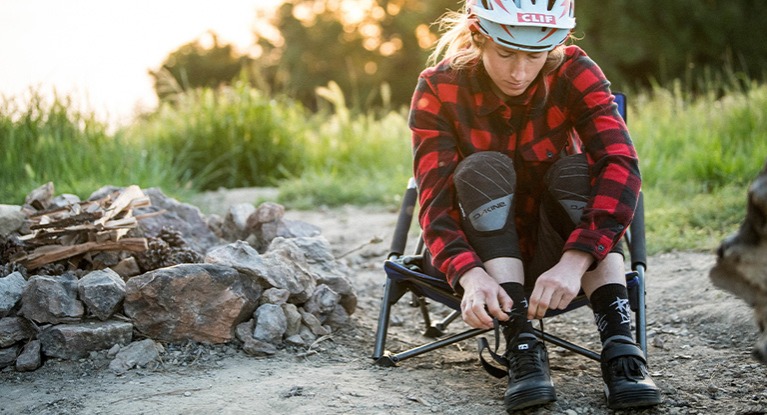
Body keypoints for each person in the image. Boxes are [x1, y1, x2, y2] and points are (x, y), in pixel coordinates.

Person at [408, 0, 662, 412]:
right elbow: (434, 201)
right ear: (478, 38)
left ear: (554, 46)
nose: (520, 72)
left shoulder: (575, 71)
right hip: (480, 252)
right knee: (482, 168)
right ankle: (522, 345)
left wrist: (574, 262)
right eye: (506, 53)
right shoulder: (439, 85)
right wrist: (469, 274)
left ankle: (621, 348)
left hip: (561, 252)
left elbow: (620, 164)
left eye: (535, 55)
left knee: (581, 173)